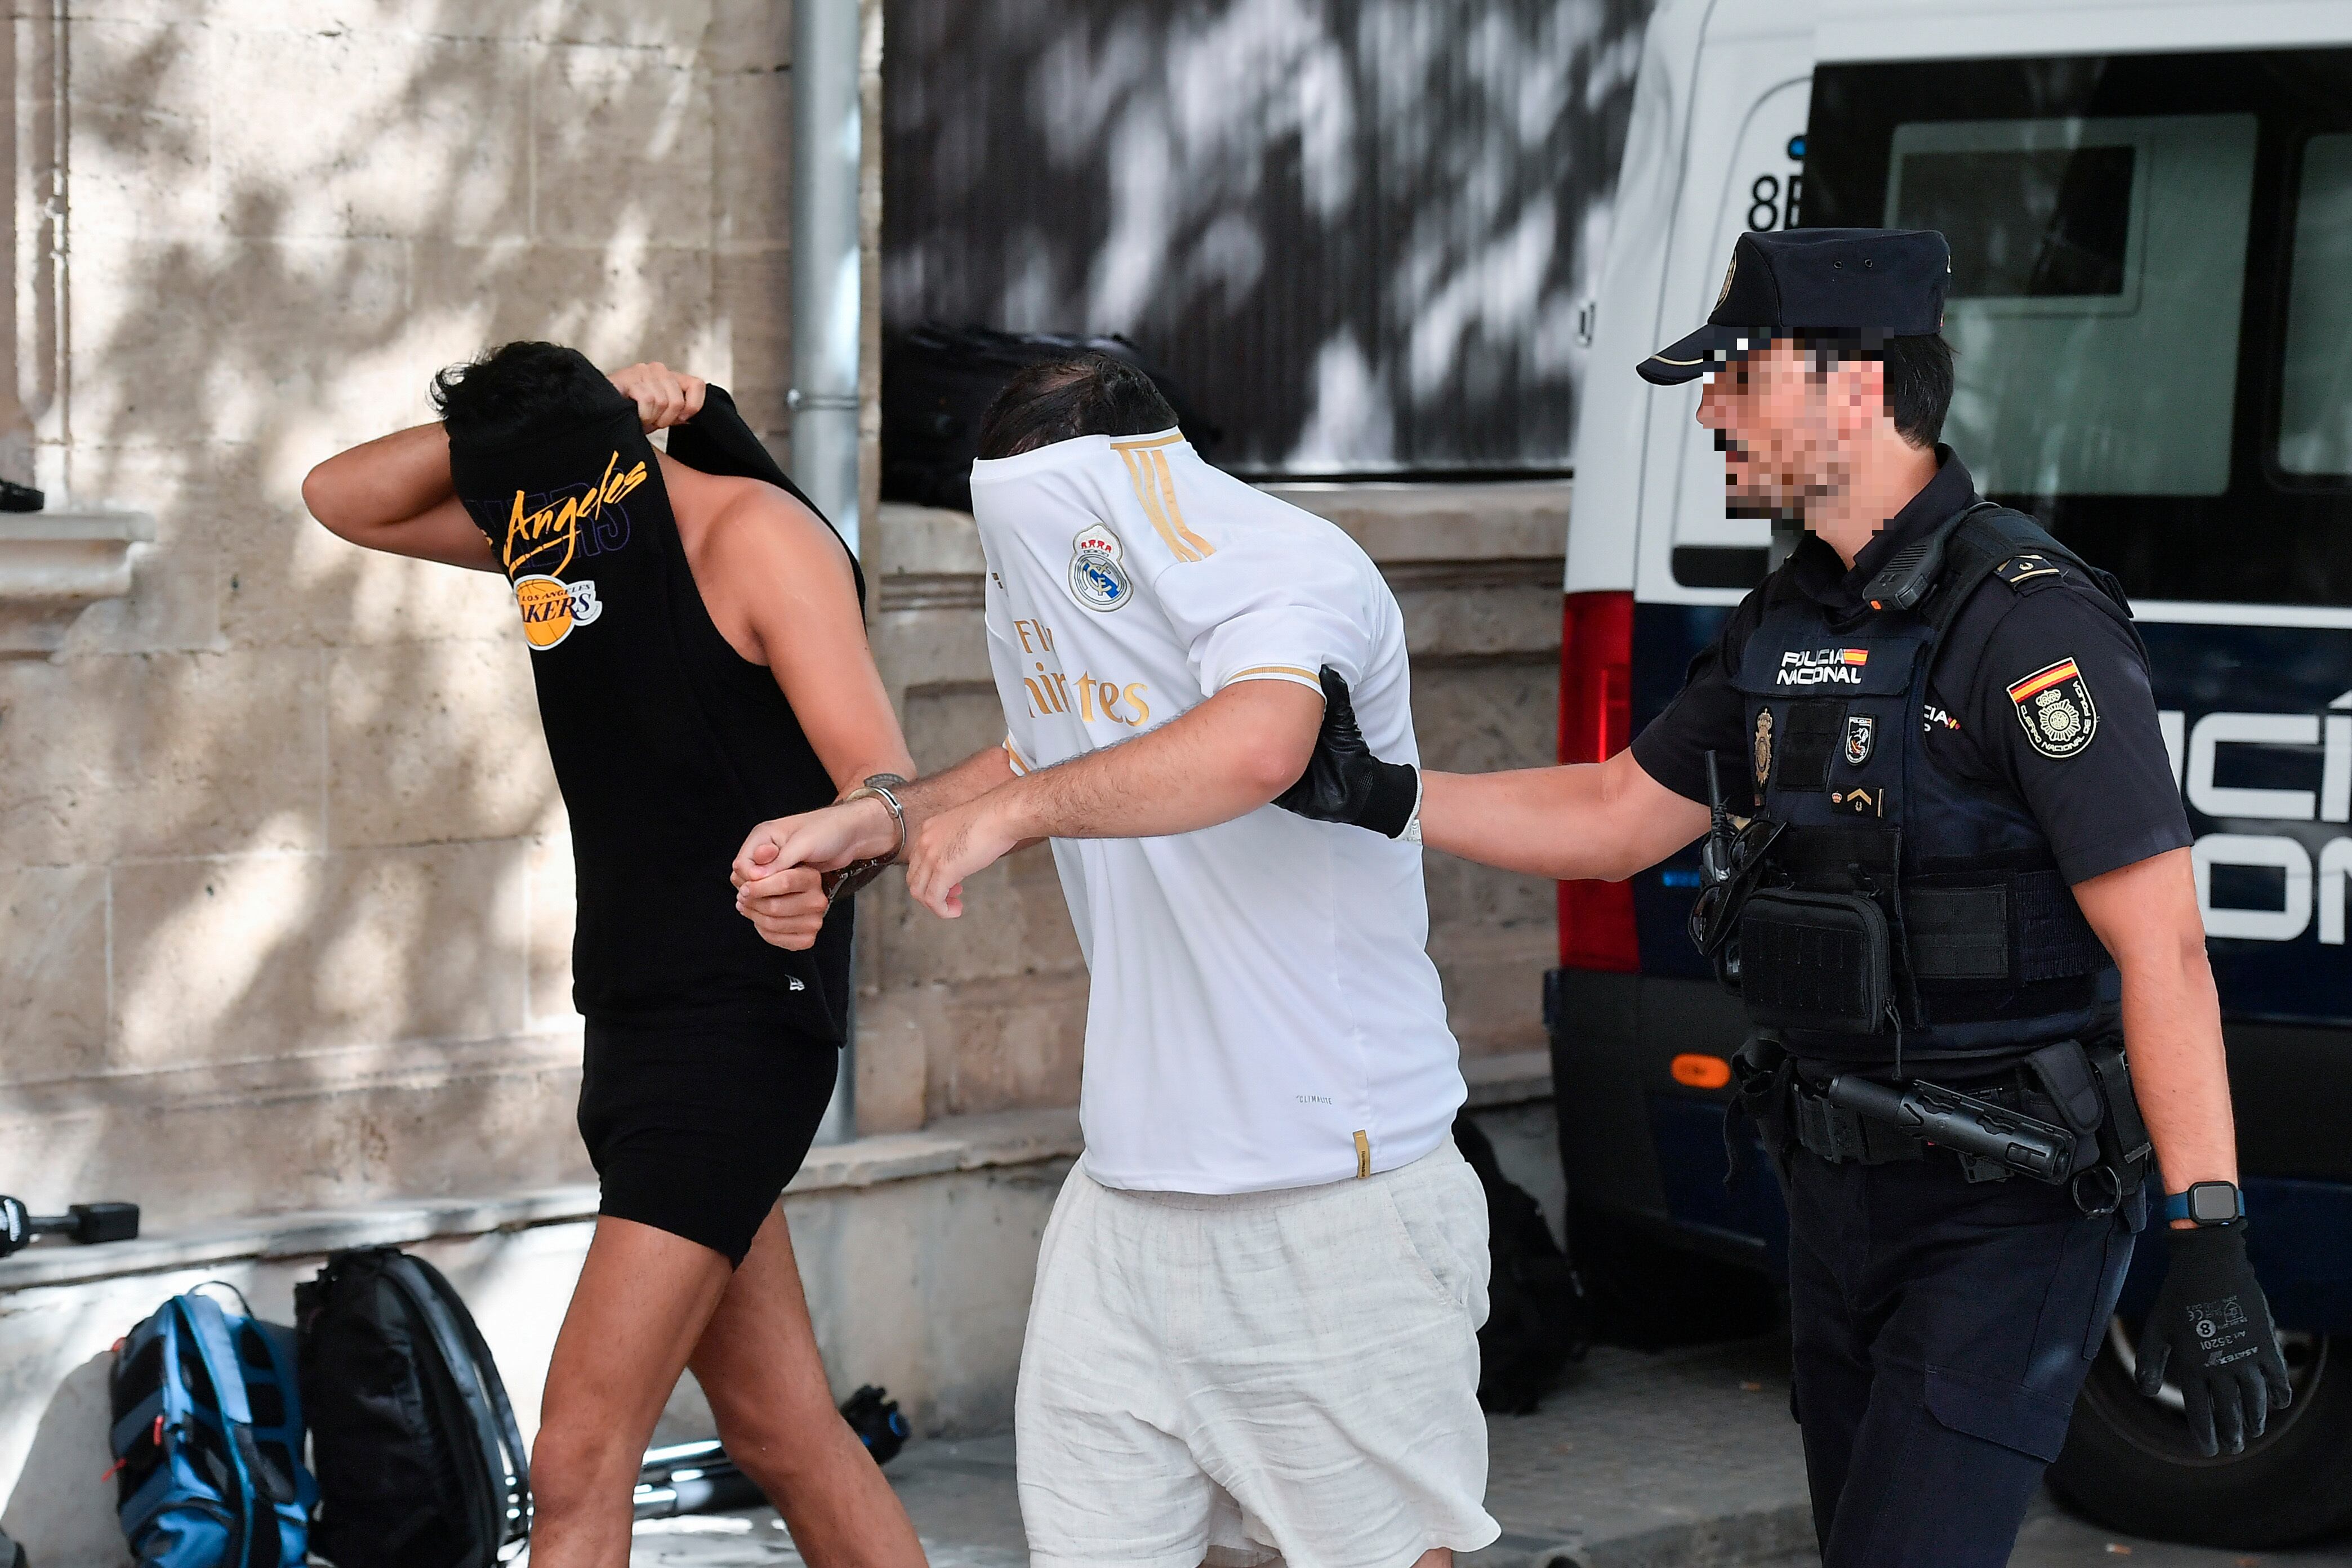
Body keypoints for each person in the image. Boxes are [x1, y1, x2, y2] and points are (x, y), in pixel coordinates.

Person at [1279, 229, 2294, 1567]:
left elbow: (2162, 944)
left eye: (1737, 375)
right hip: (1831, 1196)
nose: (1707, 408)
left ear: (1857, 391)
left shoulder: (2030, 624)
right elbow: (1611, 818)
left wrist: (2208, 1236)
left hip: (2006, 1207)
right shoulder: (1788, 621)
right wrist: (1383, 792)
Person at [731, 354, 1497, 1568]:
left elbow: (1258, 745)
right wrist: (878, 822)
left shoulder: (1289, 568)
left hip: (1336, 1199)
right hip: (1124, 1208)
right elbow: (1055, 730)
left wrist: (1015, 817)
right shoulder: (1094, 586)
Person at [301, 344, 926, 1568]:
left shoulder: (754, 541)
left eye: (540, 505)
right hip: (634, 1023)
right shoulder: (562, 523)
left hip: (738, 1033)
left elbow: (886, 786)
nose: (521, 539)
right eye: (511, 511)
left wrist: (820, 871)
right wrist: (531, 425)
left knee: (579, 1460)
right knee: (783, 1427)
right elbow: (340, 494)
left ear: (614, 473)